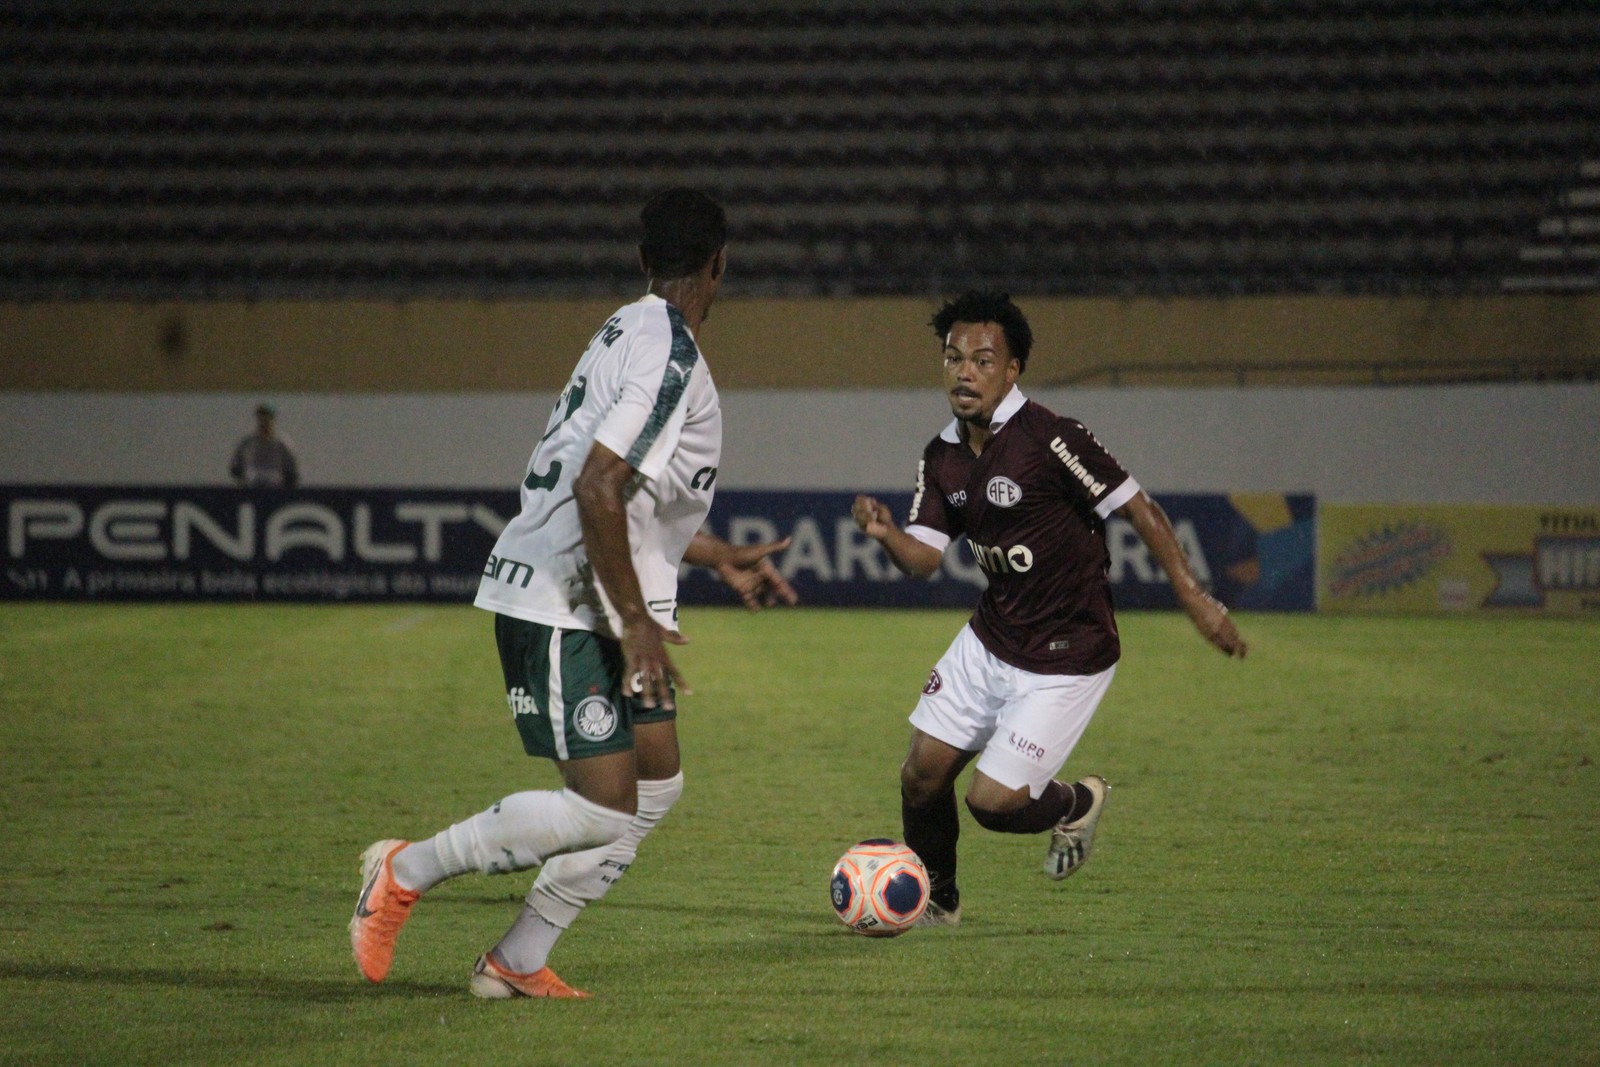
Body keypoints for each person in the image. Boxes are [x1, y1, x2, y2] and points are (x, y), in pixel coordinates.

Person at [350, 188, 797, 998]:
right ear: (721, 264)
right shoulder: (669, 354)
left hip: (600, 600)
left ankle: (515, 960)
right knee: (600, 808)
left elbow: (625, 497)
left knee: (657, 782)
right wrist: (635, 624)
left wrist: (715, 553)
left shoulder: (627, 329)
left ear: (641, 261)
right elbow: (597, 487)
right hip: (564, 602)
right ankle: (404, 867)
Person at [852, 289, 1247, 926]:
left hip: (1068, 653)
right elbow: (924, 557)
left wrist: (1194, 598)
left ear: (1012, 371)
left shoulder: (1052, 438)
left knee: (992, 804)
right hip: (993, 637)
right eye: (954, 358)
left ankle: (1073, 803)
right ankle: (937, 903)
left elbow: (1138, 508)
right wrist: (885, 534)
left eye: (983, 360)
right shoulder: (943, 454)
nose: (965, 372)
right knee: (921, 776)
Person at [228, 403, 299, 489]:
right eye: (261, 418)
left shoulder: (282, 444)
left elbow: (292, 471)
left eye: (267, 419)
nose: (263, 422)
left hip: (276, 489)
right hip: (251, 487)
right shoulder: (247, 443)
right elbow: (235, 468)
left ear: (272, 420)